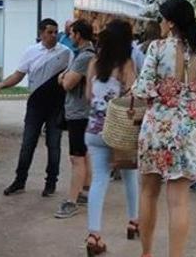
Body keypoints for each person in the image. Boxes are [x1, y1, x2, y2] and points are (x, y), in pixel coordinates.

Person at [133, 0, 196, 257]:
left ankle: (146, 253)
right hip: (188, 130)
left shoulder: (156, 47)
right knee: (179, 203)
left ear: (171, 22)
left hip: (157, 128)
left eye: (162, 18)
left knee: (148, 193)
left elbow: (143, 89)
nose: (160, 22)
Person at [0, 18, 72, 197]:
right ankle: (20, 181)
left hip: (56, 105)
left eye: (55, 32)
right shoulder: (31, 52)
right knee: (28, 144)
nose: (53, 36)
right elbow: (19, 75)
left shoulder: (66, 53)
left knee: (54, 145)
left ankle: (51, 183)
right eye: (49, 32)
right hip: (35, 104)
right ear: (41, 33)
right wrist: (2, 85)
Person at [83, 20, 140, 256]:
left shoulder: (94, 63)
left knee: (98, 181)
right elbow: (134, 97)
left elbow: (88, 96)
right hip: (121, 132)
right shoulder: (126, 64)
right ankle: (133, 221)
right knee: (130, 176)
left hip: (94, 130)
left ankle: (94, 235)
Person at [54, 19, 95, 219]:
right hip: (84, 111)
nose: (69, 37)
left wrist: (63, 78)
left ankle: (71, 200)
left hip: (79, 113)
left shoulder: (83, 57)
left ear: (78, 34)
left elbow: (68, 83)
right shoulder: (88, 55)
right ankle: (84, 191)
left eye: (71, 33)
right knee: (84, 154)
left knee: (76, 157)